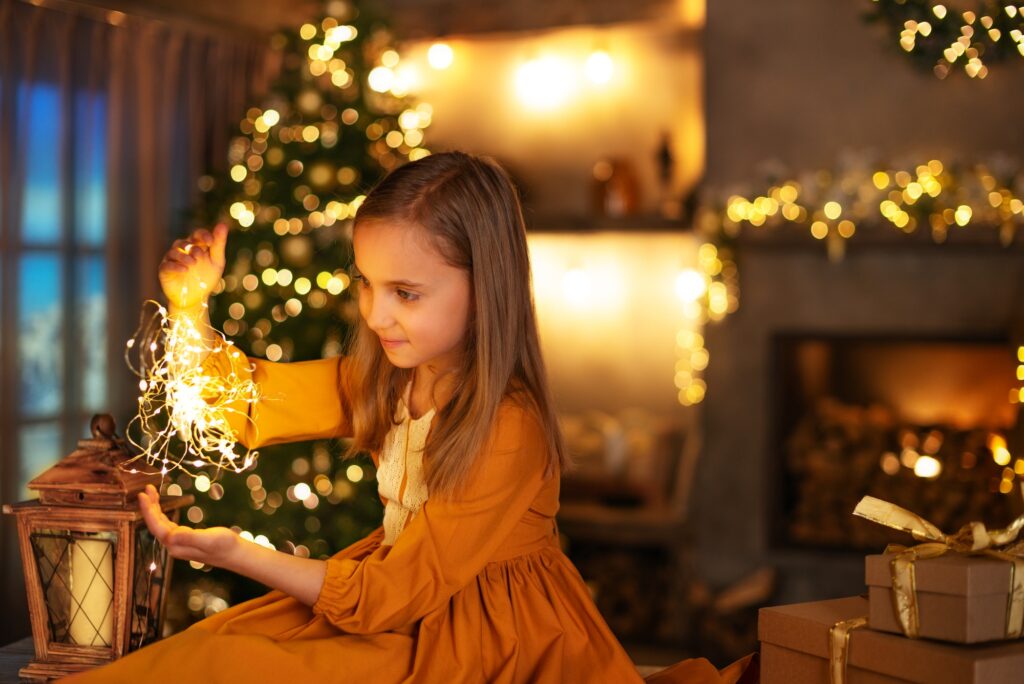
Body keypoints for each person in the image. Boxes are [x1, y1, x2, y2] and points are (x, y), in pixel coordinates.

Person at [64, 152, 753, 683]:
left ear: (487, 289)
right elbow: (242, 401)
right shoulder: (386, 379)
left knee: (249, 667)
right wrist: (188, 306)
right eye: (367, 283)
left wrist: (238, 553)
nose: (376, 313)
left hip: (489, 637)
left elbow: (394, 596)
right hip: (387, 599)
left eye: (407, 292)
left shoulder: (509, 425)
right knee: (211, 652)